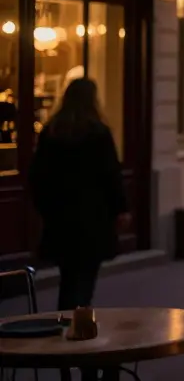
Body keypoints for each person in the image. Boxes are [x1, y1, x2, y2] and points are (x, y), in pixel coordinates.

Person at [29, 78, 127, 311]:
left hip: (61, 218)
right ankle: (77, 325)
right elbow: (111, 175)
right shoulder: (98, 133)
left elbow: (37, 177)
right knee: (85, 279)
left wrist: (46, 210)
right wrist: (121, 209)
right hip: (92, 218)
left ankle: (66, 322)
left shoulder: (51, 132)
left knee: (68, 277)